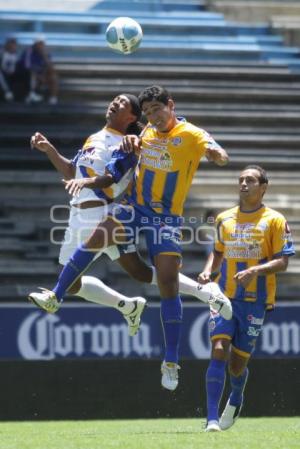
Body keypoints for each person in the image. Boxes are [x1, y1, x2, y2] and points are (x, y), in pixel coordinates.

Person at [29, 85, 232, 391]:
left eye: (156, 109)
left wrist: (217, 154)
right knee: (100, 242)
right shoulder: (141, 134)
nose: (153, 116)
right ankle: (56, 297)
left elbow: (217, 151)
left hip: (165, 218)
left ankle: (171, 360)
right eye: (148, 112)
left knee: (165, 281)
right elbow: (108, 172)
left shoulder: (191, 133)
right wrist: (130, 142)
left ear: (171, 105)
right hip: (132, 207)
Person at [198, 165, 295, 432]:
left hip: (255, 299)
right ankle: (212, 419)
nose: (243, 184)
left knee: (237, 364)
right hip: (223, 295)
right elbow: (217, 252)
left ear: (263, 187)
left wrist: (255, 270)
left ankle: (237, 397)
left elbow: (283, 262)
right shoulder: (224, 218)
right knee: (218, 349)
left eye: (250, 180)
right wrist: (208, 271)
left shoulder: (275, 220)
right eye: (240, 179)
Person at [18, 36, 58, 105]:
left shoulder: (45, 53)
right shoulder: (28, 51)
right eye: (39, 44)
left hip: (41, 75)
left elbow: (51, 69)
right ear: (35, 44)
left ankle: (53, 98)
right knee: (32, 76)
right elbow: (27, 67)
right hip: (27, 75)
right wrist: (38, 76)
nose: (41, 46)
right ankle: (31, 94)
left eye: (42, 44)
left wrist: (45, 57)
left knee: (53, 77)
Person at [0, 37, 19, 102]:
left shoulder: (15, 54)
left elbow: (14, 66)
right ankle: (7, 91)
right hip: (2, 72)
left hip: (11, 74)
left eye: (14, 45)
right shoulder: (2, 52)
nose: (12, 46)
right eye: (11, 44)